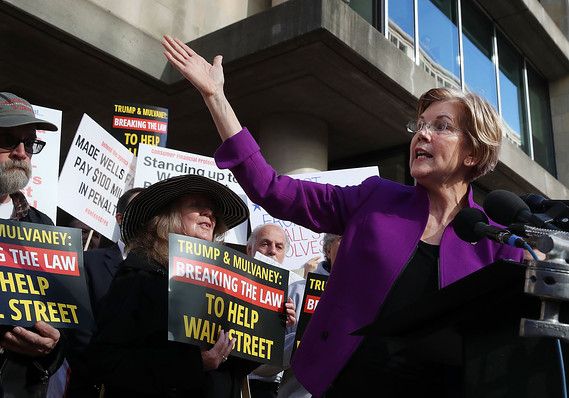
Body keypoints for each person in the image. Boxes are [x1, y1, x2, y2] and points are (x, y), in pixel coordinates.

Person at [161, 35, 525, 397]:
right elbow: (270, 187)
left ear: (473, 154)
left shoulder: (497, 243)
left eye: (441, 126)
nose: (422, 135)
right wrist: (215, 97)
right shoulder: (375, 197)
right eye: (420, 126)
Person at [88, 175, 296, 397]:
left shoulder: (227, 282)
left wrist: (270, 323)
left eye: (212, 211)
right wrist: (192, 364)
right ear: (169, 216)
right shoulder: (140, 273)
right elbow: (108, 360)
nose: (209, 214)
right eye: (196, 206)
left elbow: (234, 368)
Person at [0, 92, 65, 397]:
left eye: (30, 143)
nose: (22, 153)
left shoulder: (45, 229)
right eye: (7, 140)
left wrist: (50, 348)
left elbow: (61, 322)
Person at [64, 187, 143, 398]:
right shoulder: (89, 263)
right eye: (139, 209)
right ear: (120, 218)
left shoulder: (163, 273)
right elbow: (79, 335)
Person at [245, 224, 300, 398]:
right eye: (265, 244)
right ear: (249, 249)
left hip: (274, 385)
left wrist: (289, 324)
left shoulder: (297, 287)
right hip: (241, 379)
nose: (272, 251)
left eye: (279, 246)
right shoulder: (233, 278)